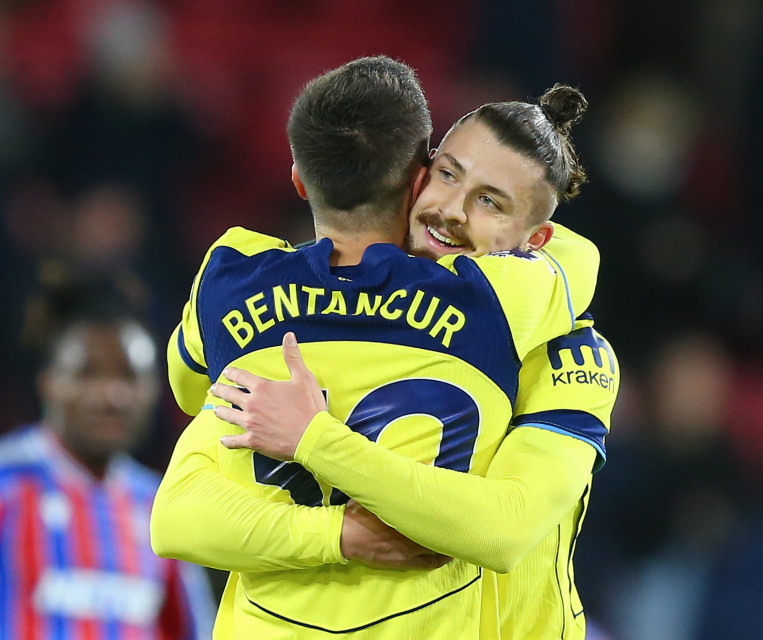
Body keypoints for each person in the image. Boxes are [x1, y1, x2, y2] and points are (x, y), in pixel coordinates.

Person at [151, 56, 599, 639]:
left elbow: (506, 528)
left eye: (491, 202)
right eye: (448, 174)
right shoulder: (514, 307)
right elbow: (176, 518)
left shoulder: (242, 295)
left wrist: (315, 439)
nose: (452, 210)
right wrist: (341, 534)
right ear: (417, 174)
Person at [0, 278, 215, 639]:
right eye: (88, 373)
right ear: (49, 381)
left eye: (129, 376)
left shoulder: (162, 507)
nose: (112, 395)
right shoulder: (8, 484)